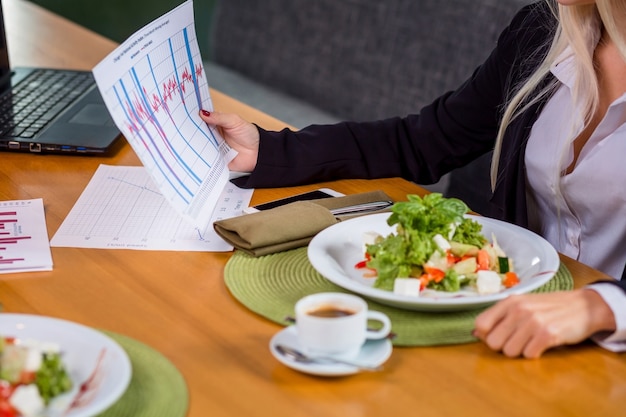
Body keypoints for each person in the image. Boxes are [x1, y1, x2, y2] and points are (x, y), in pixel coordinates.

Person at [199, 0, 626, 358]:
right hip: (503, 316)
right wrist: (270, 150)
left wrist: (603, 306)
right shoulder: (546, 29)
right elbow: (425, 141)